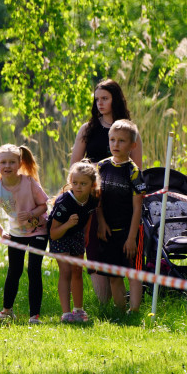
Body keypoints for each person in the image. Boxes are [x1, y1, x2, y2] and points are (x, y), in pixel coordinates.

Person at [69, 79, 143, 303]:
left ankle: (127, 303)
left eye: (105, 98)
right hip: (92, 200)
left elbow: (139, 168)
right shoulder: (88, 128)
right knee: (95, 248)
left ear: (115, 99)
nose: (100, 103)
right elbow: (74, 165)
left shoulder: (130, 131)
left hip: (122, 205)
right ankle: (105, 303)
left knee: (123, 254)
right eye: (97, 99)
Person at [0, 144, 49, 324]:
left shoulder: (29, 182)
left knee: (34, 269)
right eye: (3, 162)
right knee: (14, 271)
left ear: (20, 163)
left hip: (39, 230)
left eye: (12, 162)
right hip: (15, 234)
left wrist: (31, 214)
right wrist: (1, 231)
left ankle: (34, 316)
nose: (7, 166)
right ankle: (6, 310)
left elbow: (44, 205)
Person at [95, 120, 146, 312]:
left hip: (129, 231)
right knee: (113, 274)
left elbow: (137, 207)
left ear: (132, 146)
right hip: (107, 230)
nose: (116, 145)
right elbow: (97, 200)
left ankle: (133, 311)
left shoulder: (133, 172)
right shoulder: (101, 167)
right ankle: (120, 312)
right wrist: (101, 223)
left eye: (122, 141)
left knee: (132, 273)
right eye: (112, 140)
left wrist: (132, 238)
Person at [49, 162, 101, 323]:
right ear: (70, 181)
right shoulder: (64, 202)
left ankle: (78, 310)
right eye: (75, 183)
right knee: (66, 271)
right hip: (60, 235)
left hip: (77, 234)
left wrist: (85, 232)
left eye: (83, 184)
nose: (78, 187)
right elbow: (53, 233)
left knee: (77, 270)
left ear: (93, 185)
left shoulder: (93, 198)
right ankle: (66, 313)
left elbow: (90, 214)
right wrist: (68, 224)